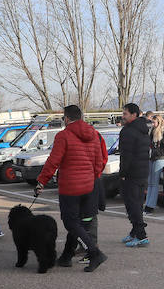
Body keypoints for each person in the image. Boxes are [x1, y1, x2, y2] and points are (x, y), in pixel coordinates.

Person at [35, 104, 109, 272]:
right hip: (89, 186)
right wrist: (91, 176)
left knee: (71, 223)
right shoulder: (94, 134)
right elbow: (99, 161)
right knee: (80, 223)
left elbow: (53, 161)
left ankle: (94, 252)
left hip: (70, 187)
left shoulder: (64, 136)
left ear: (67, 118)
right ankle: (67, 256)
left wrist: (41, 181)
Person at [118, 102, 152, 247]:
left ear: (134, 115)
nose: (122, 116)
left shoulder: (128, 132)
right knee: (137, 203)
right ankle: (134, 232)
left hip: (132, 173)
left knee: (133, 205)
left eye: (125, 114)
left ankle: (141, 236)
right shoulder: (143, 129)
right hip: (143, 171)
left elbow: (126, 156)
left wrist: (122, 173)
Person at [146, 112, 164, 214]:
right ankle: (147, 204)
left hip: (160, 159)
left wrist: (156, 153)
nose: (152, 124)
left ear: (159, 122)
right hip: (151, 159)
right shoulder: (151, 132)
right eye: (152, 122)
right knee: (150, 183)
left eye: (154, 122)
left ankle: (150, 206)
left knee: (154, 183)